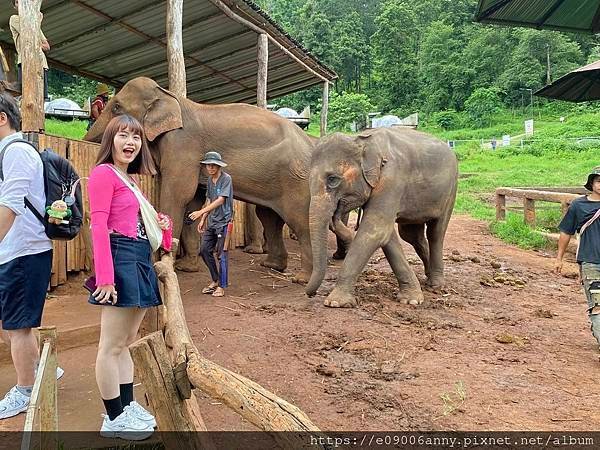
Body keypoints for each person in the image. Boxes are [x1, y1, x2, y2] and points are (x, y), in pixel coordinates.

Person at [88, 114, 172, 439]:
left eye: (135, 137)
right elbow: (98, 226)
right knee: (110, 345)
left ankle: (126, 405)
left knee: (125, 343)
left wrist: (161, 224)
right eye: (123, 135)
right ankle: (113, 418)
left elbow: (144, 227)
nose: (130, 142)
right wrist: (105, 279)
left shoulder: (131, 180)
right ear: (111, 141)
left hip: (138, 258)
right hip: (119, 258)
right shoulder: (103, 174)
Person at [0, 92, 55, 419]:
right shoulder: (7, 152)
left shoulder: (16, 152)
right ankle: (38, 369)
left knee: (18, 326)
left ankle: (25, 389)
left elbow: (10, 207)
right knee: (11, 324)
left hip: (23, 251)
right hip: (13, 251)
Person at [555, 167, 600, 356]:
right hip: (591, 263)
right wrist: (559, 259)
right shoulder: (578, 206)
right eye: (599, 181)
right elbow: (566, 233)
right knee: (597, 305)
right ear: (592, 184)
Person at [189, 152, 233, 298]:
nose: (211, 167)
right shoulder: (209, 180)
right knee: (204, 250)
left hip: (224, 222)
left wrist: (200, 211)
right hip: (212, 222)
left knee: (222, 255)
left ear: (219, 166)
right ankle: (215, 280)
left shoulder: (226, 179)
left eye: (214, 165)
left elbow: (220, 200)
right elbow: (209, 199)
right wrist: (202, 218)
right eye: (209, 165)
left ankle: (221, 286)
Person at [9, 0, 50, 99]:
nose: (21, 3)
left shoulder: (35, 24)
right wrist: (38, 20)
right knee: (28, 97)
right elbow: (29, 32)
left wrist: (35, 42)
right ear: (15, 6)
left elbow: (47, 46)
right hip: (26, 62)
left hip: (42, 63)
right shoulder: (14, 18)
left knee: (41, 98)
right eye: (17, 2)